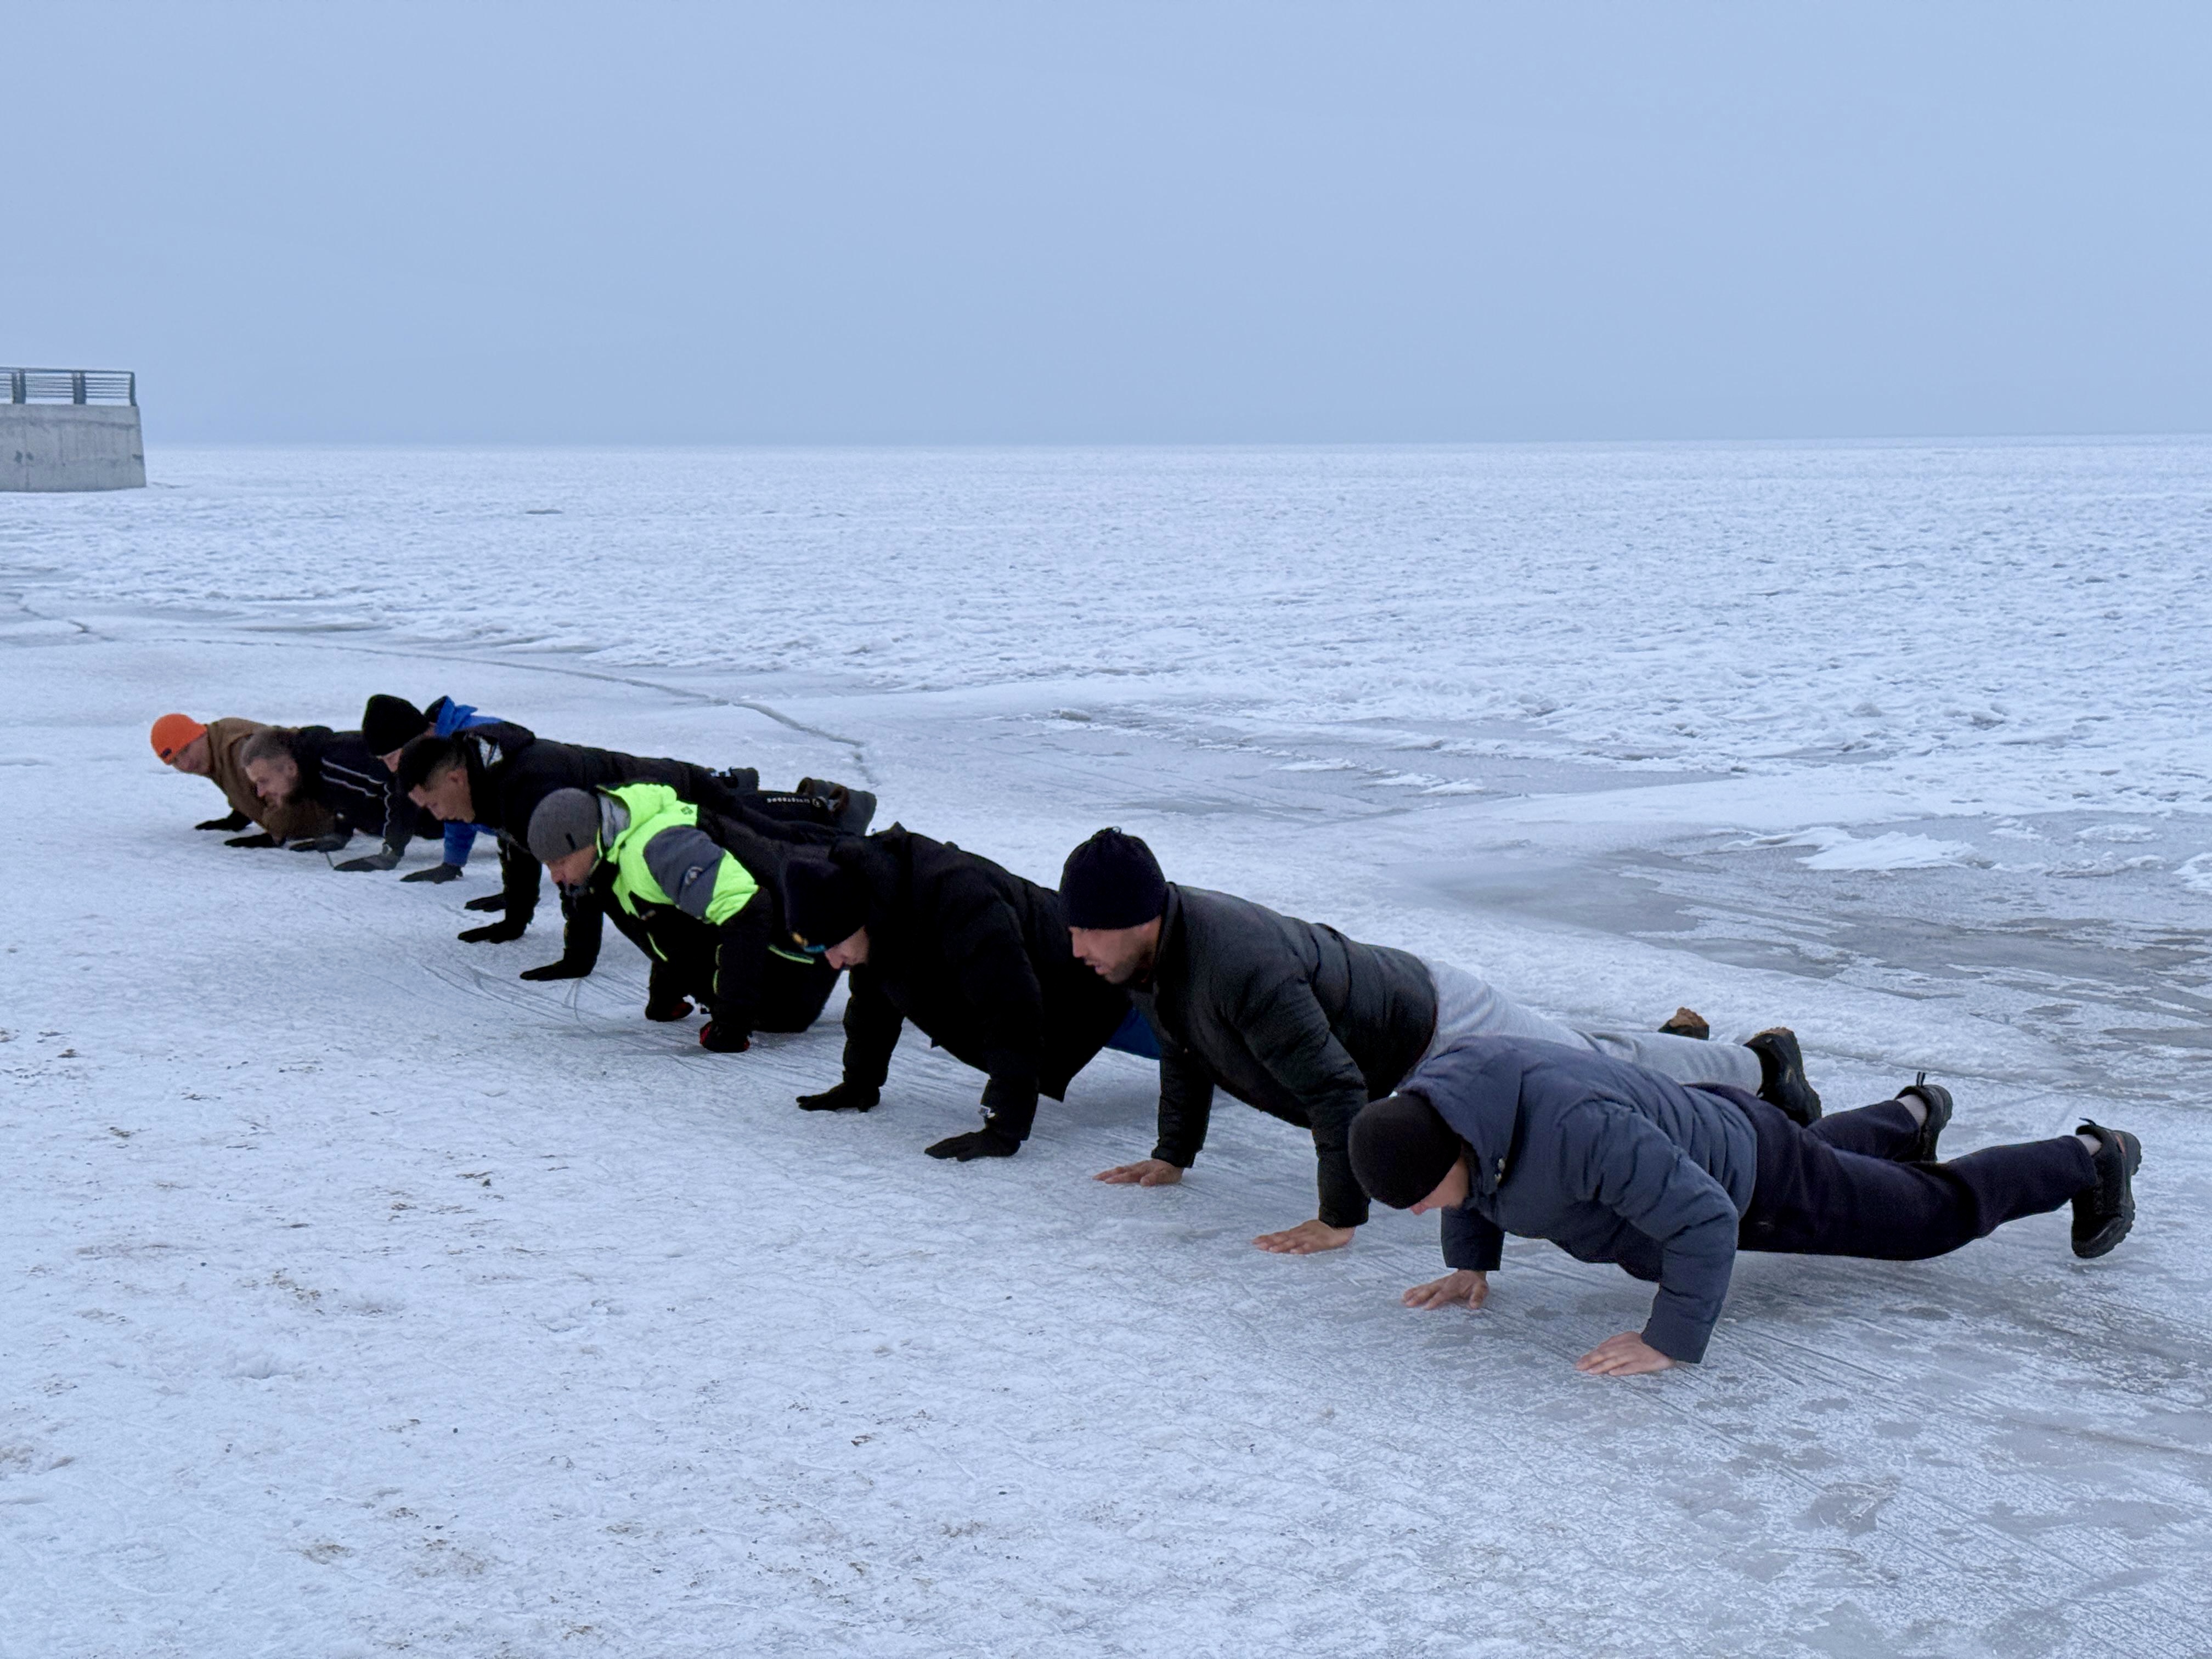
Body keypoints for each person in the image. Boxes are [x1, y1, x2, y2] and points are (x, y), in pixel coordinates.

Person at [1059, 827, 1824, 1256]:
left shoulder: (1236, 964)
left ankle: (1763, 1065)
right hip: (1405, 1039)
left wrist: (1338, 1220)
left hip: (1439, 1027)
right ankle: (1690, 1050)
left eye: (1086, 928)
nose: (1075, 949)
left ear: (1136, 918)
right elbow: (1186, 1051)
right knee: (1600, 1059)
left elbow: (1336, 1090)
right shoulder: (1151, 960)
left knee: (1597, 1072)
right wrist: (1172, 1155)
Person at [1346, 1036, 2143, 1374]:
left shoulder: (1576, 1130)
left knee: (1926, 1219)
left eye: (1423, 1199)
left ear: (1454, 1145)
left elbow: (1702, 1219)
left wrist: (1670, 1339)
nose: (1421, 1211)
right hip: (1715, 1132)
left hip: (1752, 1181)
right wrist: (1469, 1261)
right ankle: (1913, 1114)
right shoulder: (1456, 1110)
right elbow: (1474, 1177)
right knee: (1830, 1159)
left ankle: (2090, 1157)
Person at [781, 827, 1149, 1161]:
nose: (831, 962)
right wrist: (859, 1080)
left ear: (858, 920)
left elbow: (1009, 1008)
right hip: (1046, 990)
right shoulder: (874, 905)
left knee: (1194, 1042)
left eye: (832, 946)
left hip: (1093, 989)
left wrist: (1004, 1126)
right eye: (818, 952)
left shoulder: (957, 897)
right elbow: (873, 999)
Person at [396, 724, 874, 955]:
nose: (436, 817)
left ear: (456, 778)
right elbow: (525, 852)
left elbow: (581, 874)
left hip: (677, 793)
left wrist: (577, 957)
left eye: (432, 802)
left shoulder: (524, 790)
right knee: (767, 838)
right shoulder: (490, 778)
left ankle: (861, 847)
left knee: (772, 849)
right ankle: (840, 835)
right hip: (658, 791)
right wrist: (514, 919)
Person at [523, 785, 838, 1051]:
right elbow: (664, 919)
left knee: (779, 1016)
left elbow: (749, 909)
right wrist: (668, 993)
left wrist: (731, 1023)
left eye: (560, 862)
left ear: (588, 841)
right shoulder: (612, 856)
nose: (555, 877)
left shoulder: (655, 849)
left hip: (799, 958)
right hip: (783, 949)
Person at [359, 693, 506, 884]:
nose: (393, 768)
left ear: (413, 740)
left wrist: (519, 892)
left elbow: (519, 810)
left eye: (393, 757)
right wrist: (452, 864)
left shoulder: (479, 743)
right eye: (384, 761)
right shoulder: (441, 751)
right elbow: (460, 808)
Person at [236, 725, 432, 866]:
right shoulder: (312, 770)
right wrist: (340, 833)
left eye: (264, 781)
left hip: (443, 814)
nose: (261, 793)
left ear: (290, 768)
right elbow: (349, 796)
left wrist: (391, 852)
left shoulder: (333, 763)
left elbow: (398, 781)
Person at [150, 713, 336, 847]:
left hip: (336, 802)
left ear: (200, 734)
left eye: (185, 751)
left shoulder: (239, 747)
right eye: (175, 761)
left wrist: (277, 833)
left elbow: (284, 788)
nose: (185, 764)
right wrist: (240, 815)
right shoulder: (214, 748)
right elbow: (243, 784)